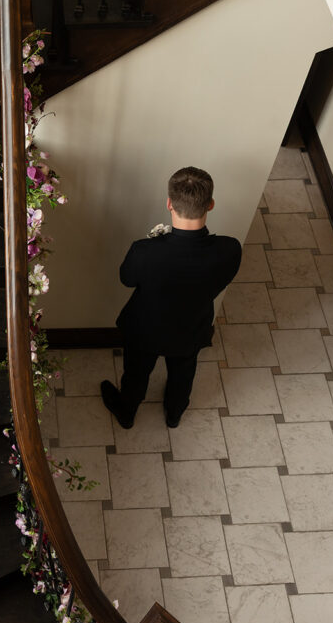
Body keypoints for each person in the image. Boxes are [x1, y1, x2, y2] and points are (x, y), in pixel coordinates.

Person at [101, 167, 241, 429]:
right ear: (210, 204)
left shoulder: (145, 251)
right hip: (191, 327)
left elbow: (126, 279)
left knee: (136, 373)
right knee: (183, 371)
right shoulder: (229, 249)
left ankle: (127, 411)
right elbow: (223, 279)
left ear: (169, 204)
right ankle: (175, 412)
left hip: (145, 330)